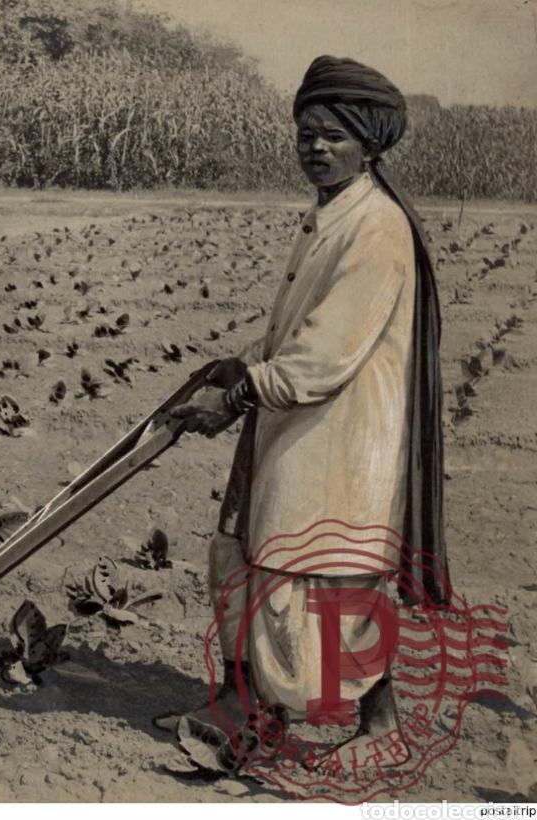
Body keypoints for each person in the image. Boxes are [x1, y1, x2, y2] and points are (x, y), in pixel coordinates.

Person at [154, 55, 448, 763]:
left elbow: (322, 356)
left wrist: (235, 398)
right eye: (306, 135)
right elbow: (298, 326)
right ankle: (244, 707)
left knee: (321, 577)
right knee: (260, 558)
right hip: (300, 421)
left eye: (334, 136)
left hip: (340, 431)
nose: (316, 148)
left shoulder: (375, 228)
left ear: (370, 145)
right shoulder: (332, 214)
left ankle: (368, 726)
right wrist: (243, 361)